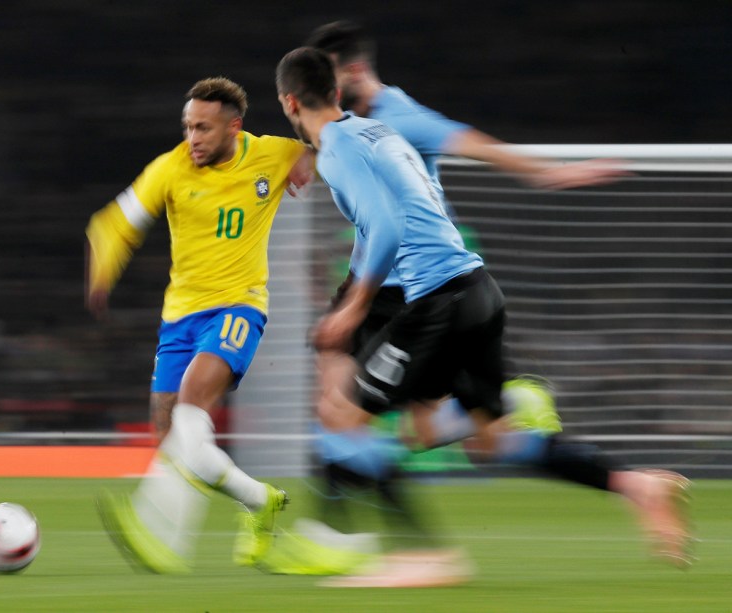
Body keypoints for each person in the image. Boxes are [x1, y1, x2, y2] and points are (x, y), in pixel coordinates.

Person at [274, 47, 692, 587]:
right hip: (479, 292)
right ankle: (635, 485)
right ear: (335, 92)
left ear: (289, 102)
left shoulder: (337, 150)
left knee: (343, 416)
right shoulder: (377, 133)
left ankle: (422, 556)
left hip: (438, 302)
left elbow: (384, 225)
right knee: (491, 440)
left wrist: (353, 306)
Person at [88, 77, 313, 573]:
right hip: (179, 318)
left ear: (235, 126)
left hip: (239, 307)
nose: (193, 138)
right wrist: (103, 267)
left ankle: (163, 535)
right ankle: (259, 500)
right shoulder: (170, 168)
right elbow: (113, 221)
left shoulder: (272, 154)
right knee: (172, 439)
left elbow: (323, 149)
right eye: (189, 127)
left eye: (204, 128)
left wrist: (308, 164)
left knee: (193, 401)